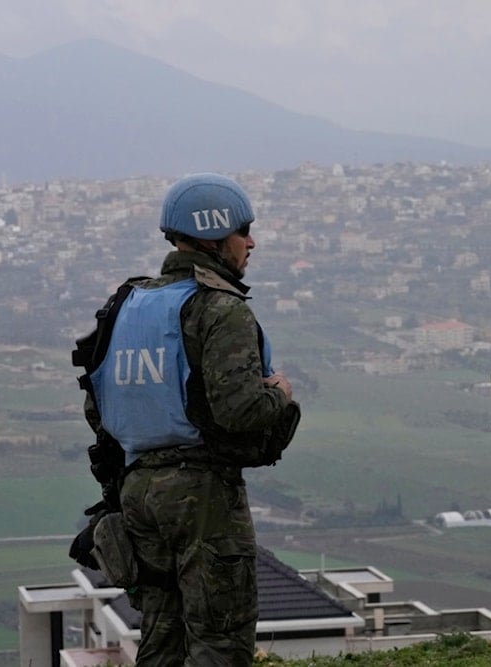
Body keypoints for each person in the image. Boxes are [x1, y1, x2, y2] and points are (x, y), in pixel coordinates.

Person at [74, 173, 296, 666]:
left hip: (137, 493)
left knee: (162, 637)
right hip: (203, 498)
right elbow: (240, 410)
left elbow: (99, 404)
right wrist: (280, 394)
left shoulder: (127, 304)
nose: (251, 242)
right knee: (220, 640)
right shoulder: (219, 308)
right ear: (215, 235)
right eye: (244, 231)